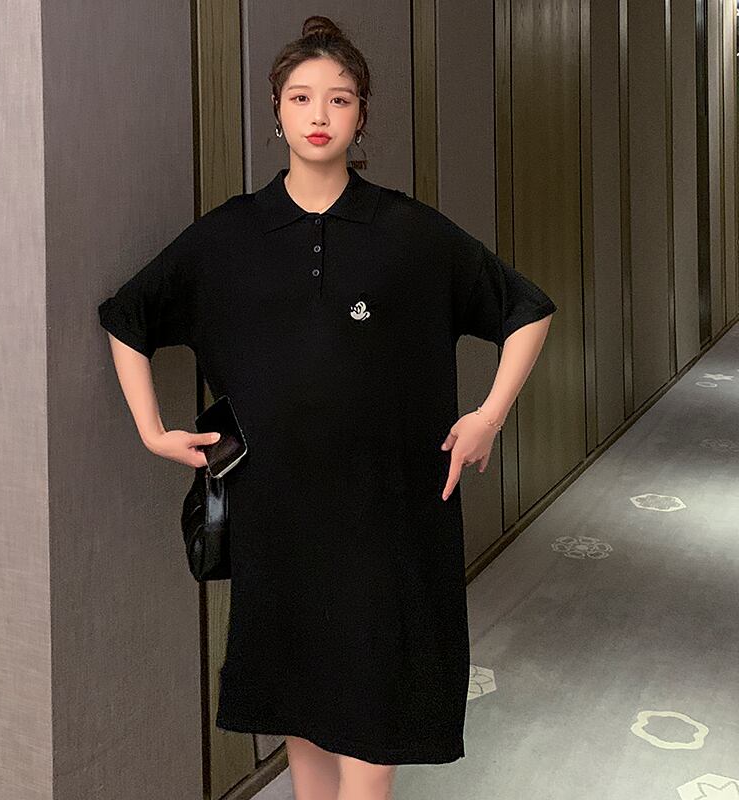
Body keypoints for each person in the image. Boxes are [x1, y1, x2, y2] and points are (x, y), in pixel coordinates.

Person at [98, 14, 557, 800]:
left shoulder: (409, 232)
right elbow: (127, 316)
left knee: (379, 711)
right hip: (278, 514)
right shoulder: (230, 236)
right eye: (301, 97)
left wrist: (489, 415)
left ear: (361, 115)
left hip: (391, 513)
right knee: (300, 703)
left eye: (339, 99)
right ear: (276, 112)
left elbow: (526, 307)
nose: (319, 115)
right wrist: (151, 431)